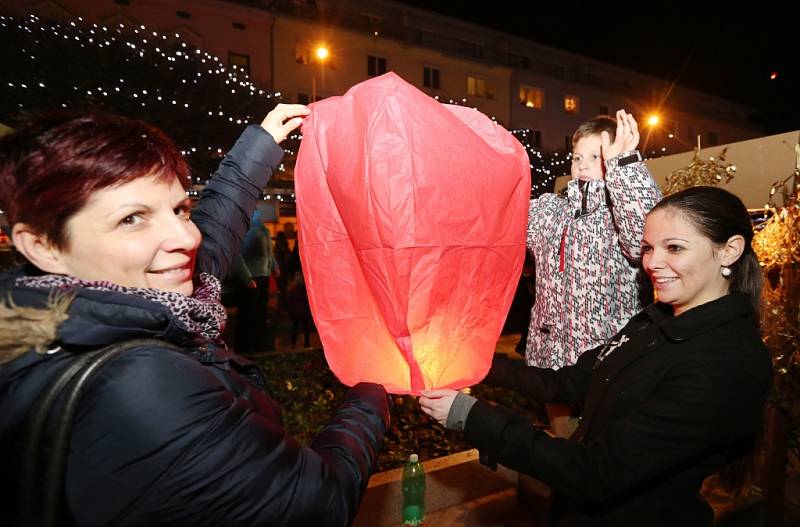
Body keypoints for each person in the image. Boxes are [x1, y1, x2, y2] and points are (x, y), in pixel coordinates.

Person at [0, 105, 391, 526]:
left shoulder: (53, 313)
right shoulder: (140, 384)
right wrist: (374, 389)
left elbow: (214, 233)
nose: (186, 237)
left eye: (179, 209)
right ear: (42, 246)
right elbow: (319, 504)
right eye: (132, 219)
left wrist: (259, 144)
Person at [419, 186, 772, 526]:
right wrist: (472, 364)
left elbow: (596, 472)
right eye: (648, 248)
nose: (652, 263)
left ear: (730, 250)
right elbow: (566, 382)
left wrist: (468, 415)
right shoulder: (654, 321)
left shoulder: (728, 362)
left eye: (674, 248)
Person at [524, 110, 662, 436]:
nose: (583, 165)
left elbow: (643, 234)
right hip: (553, 361)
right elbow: (498, 219)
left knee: (599, 455)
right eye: (576, 157)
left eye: (596, 156)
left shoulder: (621, 214)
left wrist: (624, 165)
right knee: (561, 452)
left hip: (607, 365)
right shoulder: (549, 210)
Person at [231, 208, 279, 353]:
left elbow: (268, 251)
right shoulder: (244, 227)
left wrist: (274, 266)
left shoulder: (261, 227)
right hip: (251, 277)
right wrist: (246, 277)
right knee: (247, 315)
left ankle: (258, 346)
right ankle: (245, 348)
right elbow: (237, 256)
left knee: (259, 314)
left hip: (262, 276)